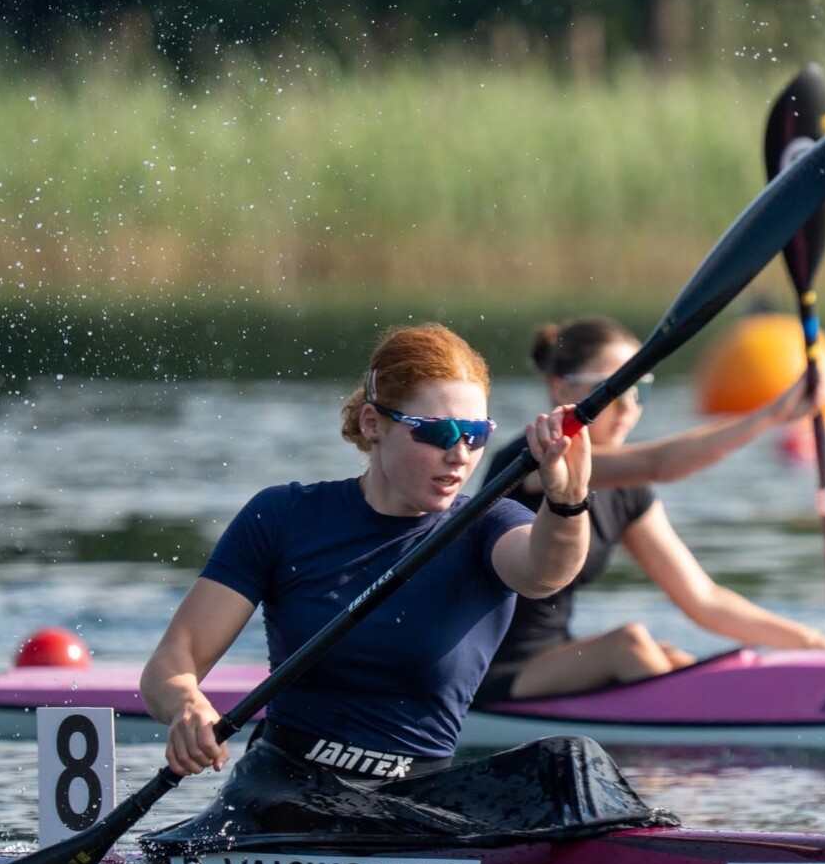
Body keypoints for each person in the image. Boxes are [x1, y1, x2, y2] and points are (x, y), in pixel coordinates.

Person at [140, 322, 593, 780]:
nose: (459, 454)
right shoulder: (283, 516)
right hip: (281, 791)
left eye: (475, 434)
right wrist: (187, 705)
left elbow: (545, 571)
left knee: (571, 765)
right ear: (373, 424)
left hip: (417, 798)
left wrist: (568, 501)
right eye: (438, 433)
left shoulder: (488, 524)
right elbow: (171, 665)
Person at [476, 316, 825, 704]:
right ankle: (712, 746)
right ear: (559, 387)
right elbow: (659, 464)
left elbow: (704, 599)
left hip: (555, 658)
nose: (629, 408)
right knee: (629, 645)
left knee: (671, 658)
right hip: (488, 670)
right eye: (612, 391)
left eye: (640, 391)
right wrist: (772, 413)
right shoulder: (532, 460)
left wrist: (815, 643)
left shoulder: (626, 493)